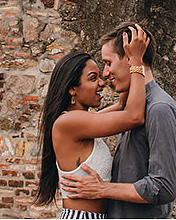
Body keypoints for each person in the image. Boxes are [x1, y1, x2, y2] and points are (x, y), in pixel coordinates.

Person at [61, 22, 176, 218]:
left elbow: (163, 187)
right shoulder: (132, 107)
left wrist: (102, 189)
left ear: (130, 59)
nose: (105, 74)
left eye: (108, 63)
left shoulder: (159, 109)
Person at [35, 25, 149, 219]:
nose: (102, 82)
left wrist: (125, 68)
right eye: (93, 78)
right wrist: (137, 61)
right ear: (72, 89)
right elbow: (134, 116)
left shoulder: (81, 122)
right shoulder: (68, 122)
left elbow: (122, 106)